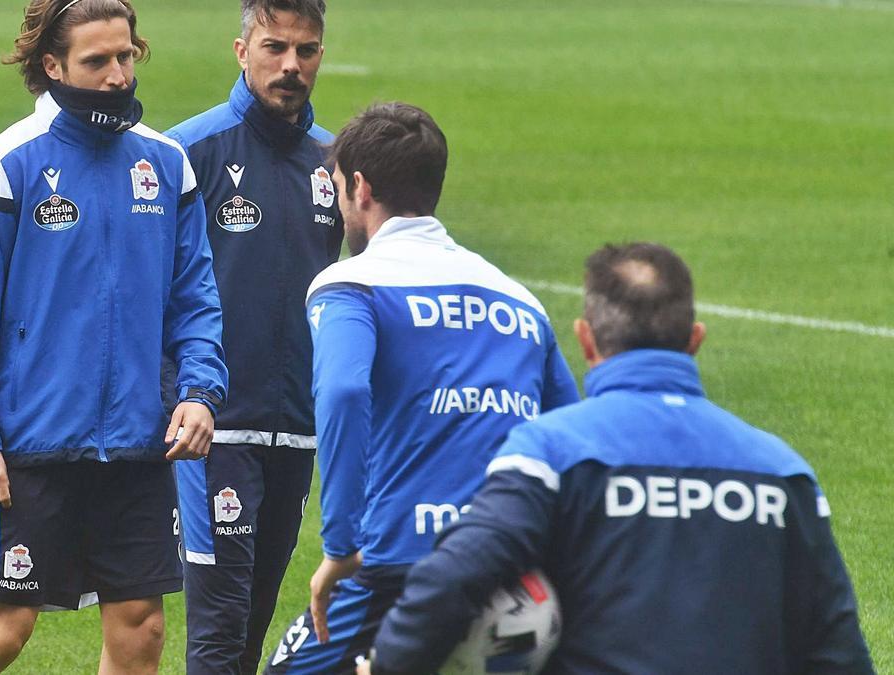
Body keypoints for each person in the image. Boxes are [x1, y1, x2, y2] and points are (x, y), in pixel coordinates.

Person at [361, 242, 875, 674]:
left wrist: (389, 663)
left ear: (586, 340)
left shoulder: (551, 452)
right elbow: (836, 647)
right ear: (695, 341)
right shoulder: (783, 472)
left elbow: (454, 575)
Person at [0, 1, 227, 673]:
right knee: (2, 632)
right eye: (97, 61)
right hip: (33, 444)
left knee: (142, 627)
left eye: (126, 56)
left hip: (137, 442)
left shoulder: (165, 165)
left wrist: (202, 391)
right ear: (51, 66)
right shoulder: (3, 168)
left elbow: (196, 301)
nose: (118, 75)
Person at [263, 102, 580, 674]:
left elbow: (342, 393)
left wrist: (340, 544)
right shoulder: (519, 301)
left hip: (399, 559)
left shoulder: (351, 283)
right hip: (511, 562)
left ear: (359, 187)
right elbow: (571, 431)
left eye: (338, 188)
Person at [164, 1, 342, 673]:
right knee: (218, 626)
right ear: (240, 51)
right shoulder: (189, 152)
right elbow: (155, 294)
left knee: (251, 624)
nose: (291, 65)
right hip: (216, 429)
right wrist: (177, 398)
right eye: (274, 47)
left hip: (296, 429)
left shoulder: (333, 163)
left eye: (306, 49)